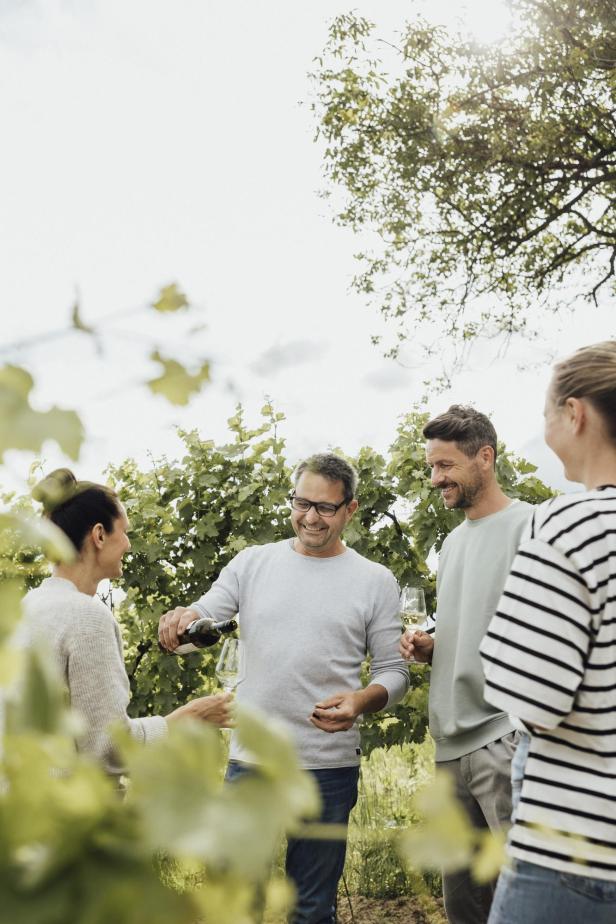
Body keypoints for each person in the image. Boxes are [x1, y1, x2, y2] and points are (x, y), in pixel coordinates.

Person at [158, 452, 410, 924]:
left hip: (327, 768)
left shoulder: (374, 581)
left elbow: (395, 672)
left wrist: (360, 701)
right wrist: (186, 618)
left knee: (311, 908)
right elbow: (207, 611)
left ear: (350, 510)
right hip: (251, 764)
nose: (310, 517)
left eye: (325, 508)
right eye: (302, 503)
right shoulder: (253, 564)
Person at [480, 342, 616, 923]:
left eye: (545, 414)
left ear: (574, 414)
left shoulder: (569, 524)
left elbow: (532, 698)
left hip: (577, 847)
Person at [400, 406, 531, 924]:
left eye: (446, 466)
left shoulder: (531, 526)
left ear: (485, 457)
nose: (436, 479)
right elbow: (470, 624)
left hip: (503, 736)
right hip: (449, 746)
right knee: (464, 906)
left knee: (521, 898)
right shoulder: (450, 544)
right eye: (432, 467)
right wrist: (435, 646)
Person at [22, 468, 232, 779]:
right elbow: (108, 750)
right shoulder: (86, 617)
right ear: (99, 535)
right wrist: (191, 716)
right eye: (125, 531)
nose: (129, 545)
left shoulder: (30, 605)